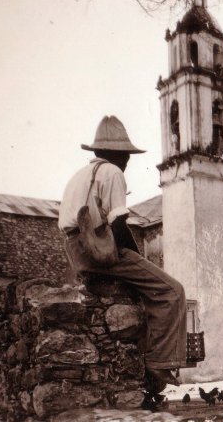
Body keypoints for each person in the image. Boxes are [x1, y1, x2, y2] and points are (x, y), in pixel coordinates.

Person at [58, 115, 186, 388]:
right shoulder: (112, 173)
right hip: (98, 250)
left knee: (141, 285)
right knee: (172, 291)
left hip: (75, 249)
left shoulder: (77, 177)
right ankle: (160, 361)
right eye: (125, 155)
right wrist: (126, 256)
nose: (127, 161)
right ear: (115, 153)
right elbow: (117, 223)